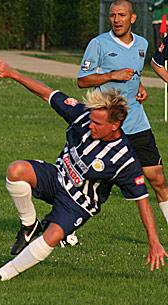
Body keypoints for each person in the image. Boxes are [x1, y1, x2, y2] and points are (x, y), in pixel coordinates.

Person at [0, 59, 167, 282]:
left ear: (115, 125)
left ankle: (1, 275)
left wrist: (153, 241)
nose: (91, 125)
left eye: (97, 123)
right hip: (58, 178)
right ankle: (29, 224)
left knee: (53, 236)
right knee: (16, 170)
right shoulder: (84, 117)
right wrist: (13, 74)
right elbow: (48, 94)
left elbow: (142, 200)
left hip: (78, 203)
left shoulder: (125, 160)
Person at [77, 0, 168, 228]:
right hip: (108, 127)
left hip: (137, 122)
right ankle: (65, 228)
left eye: (121, 15)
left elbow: (134, 74)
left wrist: (140, 88)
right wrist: (111, 75)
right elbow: (82, 80)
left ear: (132, 18)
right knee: (91, 186)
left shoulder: (143, 44)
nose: (116, 20)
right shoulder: (98, 44)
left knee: (157, 178)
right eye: (113, 16)